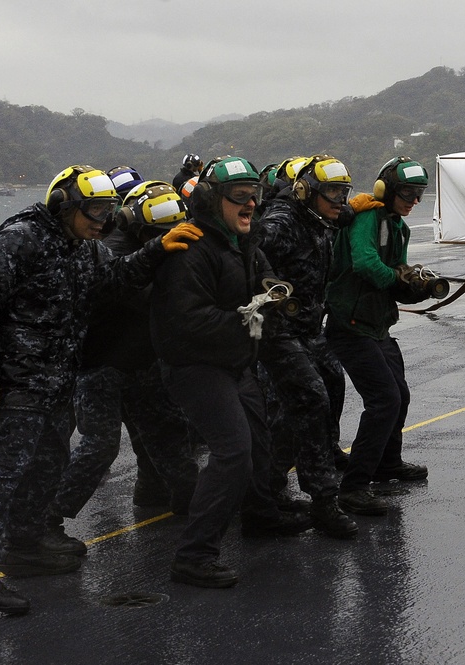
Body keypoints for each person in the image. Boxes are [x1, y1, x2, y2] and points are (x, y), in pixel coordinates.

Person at [0, 165, 201, 614]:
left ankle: (26, 548)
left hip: (58, 381)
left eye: (107, 212)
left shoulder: (84, 248)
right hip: (16, 382)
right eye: (94, 210)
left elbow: (115, 280)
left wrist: (158, 248)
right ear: (64, 205)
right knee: (0, 472)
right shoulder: (17, 240)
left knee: (48, 464)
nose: (101, 221)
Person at [151, 156, 312, 589]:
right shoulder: (190, 250)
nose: (249, 204)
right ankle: (194, 555)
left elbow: (263, 282)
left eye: (253, 196)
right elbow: (186, 320)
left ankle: (260, 515)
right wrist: (248, 318)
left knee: (258, 444)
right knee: (232, 452)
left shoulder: (245, 244)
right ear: (210, 200)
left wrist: (271, 298)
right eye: (238, 197)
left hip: (236, 363)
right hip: (196, 367)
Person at [44, 179, 201, 554]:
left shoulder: (158, 248)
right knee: (99, 445)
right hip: (100, 364)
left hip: (141, 361)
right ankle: (46, 519)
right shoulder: (108, 251)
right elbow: (143, 297)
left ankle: (175, 496)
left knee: (168, 433)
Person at [255, 155, 358, 539]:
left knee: (328, 389)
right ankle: (319, 500)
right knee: (302, 404)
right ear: (304, 191)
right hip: (279, 333)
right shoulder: (281, 223)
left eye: (344, 192)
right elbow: (250, 249)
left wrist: (365, 203)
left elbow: (345, 215)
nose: (339, 201)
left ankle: (270, 488)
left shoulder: (320, 217)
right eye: (332, 192)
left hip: (311, 330)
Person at [325, 156, 433, 516]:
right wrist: (398, 278)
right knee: (384, 399)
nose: (413, 201)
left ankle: (388, 464)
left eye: (419, 194)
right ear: (386, 189)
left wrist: (415, 288)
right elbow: (365, 264)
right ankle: (353, 487)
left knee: (398, 394)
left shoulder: (398, 227)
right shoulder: (368, 217)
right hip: (350, 325)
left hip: (376, 325)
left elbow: (393, 276)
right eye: (407, 192)